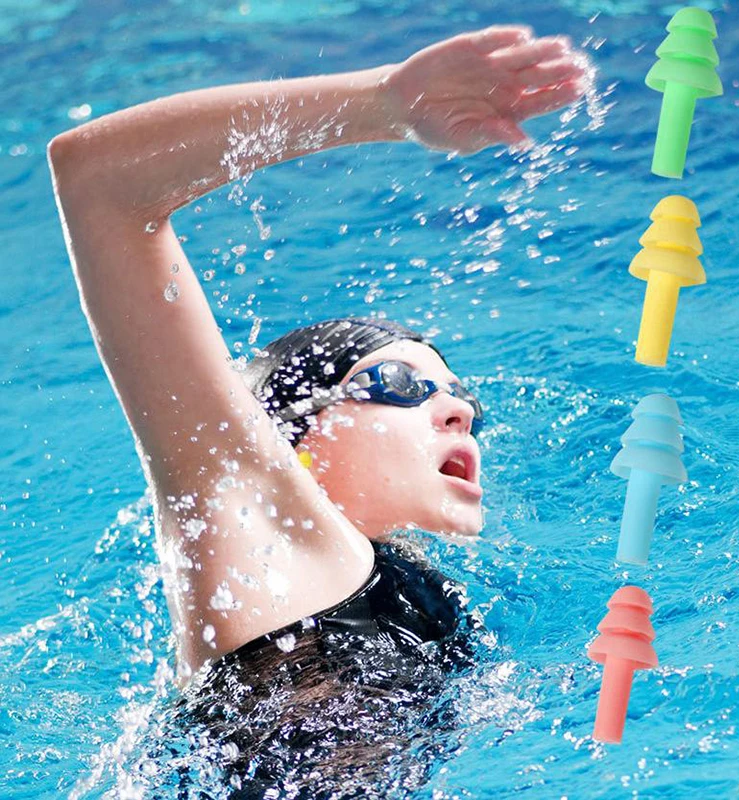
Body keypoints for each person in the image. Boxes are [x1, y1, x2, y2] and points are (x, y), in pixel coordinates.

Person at [48, 25, 586, 789]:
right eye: (400, 386)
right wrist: (384, 104)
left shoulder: (404, 595)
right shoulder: (266, 537)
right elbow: (99, 181)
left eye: (462, 399)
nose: (458, 413)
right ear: (287, 435)